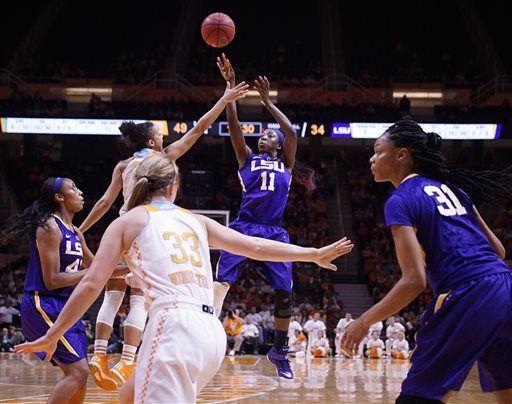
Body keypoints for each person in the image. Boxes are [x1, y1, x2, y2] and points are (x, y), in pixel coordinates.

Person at [15, 155, 353, 404]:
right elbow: (255, 245)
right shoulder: (197, 220)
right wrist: (312, 254)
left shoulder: (127, 221)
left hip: (174, 327)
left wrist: (52, 334)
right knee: (128, 395)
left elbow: (90, 285)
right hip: (211, 335)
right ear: (174, 187)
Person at [79, 81, 249, 390]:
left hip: (123, 225)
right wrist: (223, 100)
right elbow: (197, 130)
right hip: (151, 228)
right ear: (152, 140)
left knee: (112, 294)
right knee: (142, 298)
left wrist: (81, 229)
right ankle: (129, 358)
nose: (164, 134)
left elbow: (105, 202)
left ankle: (100, 353)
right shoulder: (166, 157)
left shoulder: (123, 165)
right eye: (159, 132)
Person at [342, 119, 512, 403]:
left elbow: (414, 280)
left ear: (402, 154)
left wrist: (364, 322)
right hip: (505, 286)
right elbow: (498, 251)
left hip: (468, 293)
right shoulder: (456, 190)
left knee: (419, 397)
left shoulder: (400, 199)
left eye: (377, 150)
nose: (371, 158)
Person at [214, 53, 322, 379]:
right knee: (221, 285)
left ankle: (279, 351)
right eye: (261, 134)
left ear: (276, 144)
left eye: (269, 134)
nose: (265, 136)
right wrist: (231, 89)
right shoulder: (246, 157)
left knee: (285, 292)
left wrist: (266, 101)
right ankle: (203, 337)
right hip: (244, 228)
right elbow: (233, 126)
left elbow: (291, 132)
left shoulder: (287, 163)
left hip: (274, 231)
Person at [0, 177, 102, 403]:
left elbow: (98, 266)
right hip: (43, 304)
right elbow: (53, 280)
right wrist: (95, 273)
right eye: (73, 188)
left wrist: (130, 268)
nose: (81, 191)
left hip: (67, 308)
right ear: (59, 197)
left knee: (80, 375)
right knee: (78, 371)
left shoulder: (76, 231)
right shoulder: (49, 227)